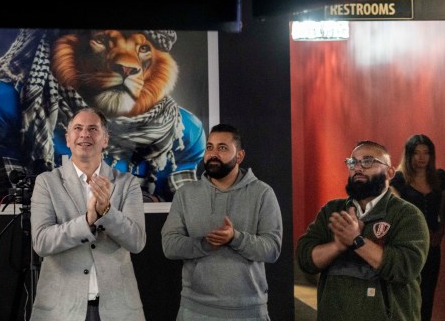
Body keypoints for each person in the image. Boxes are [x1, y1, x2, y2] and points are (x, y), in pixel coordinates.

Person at [0, 28, 205, 204]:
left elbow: (179, 215)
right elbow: (7, 212)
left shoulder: (182, 131)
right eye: (101, 40)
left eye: (142, 48)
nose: (128, 63)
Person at [30, 107, 146, 321]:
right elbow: (42, 242)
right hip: (60, 310)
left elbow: (137, 241)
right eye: (78, 128)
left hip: (117, 309)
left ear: (105, 139)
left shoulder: (126, 183)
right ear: (67, 138)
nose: (85, 134)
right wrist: (88, 220)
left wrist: (107, 213)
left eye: (93, 129)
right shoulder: (47, 182)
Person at [296, 140, 429, 321]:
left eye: (368, 161)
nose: (358, 168)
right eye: (353, 162)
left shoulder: (407, 215)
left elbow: (404, 268)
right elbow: (305, 259)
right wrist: (337, 245)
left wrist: (357, 241)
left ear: (390, 172)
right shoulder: (332, 210)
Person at [161, 123, 282, 320]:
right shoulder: (185, 194)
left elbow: (272, 250)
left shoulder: (262, 193)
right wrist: (206, 243)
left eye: (222, 148)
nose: (213, 154)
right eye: (209, 147)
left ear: (240, 156)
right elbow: (169, 246)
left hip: (249, 312)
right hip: (195, 311)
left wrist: (235, 238)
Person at [391, 134, 445, 321]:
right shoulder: (399, 179)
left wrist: (439, 233)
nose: (421, 157)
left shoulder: (439, 177)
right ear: (409, 155)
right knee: (407, 292)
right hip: (408, 246)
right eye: (416, 153)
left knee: (427, 293)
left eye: (426, 153)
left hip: (432, 246)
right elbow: (395, 212)